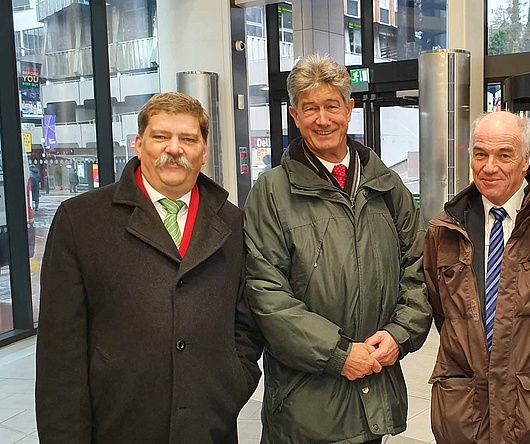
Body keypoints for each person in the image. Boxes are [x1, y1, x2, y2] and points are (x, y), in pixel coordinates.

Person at [35, 92, 264, 442]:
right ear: (139, 144)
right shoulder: (81, 220)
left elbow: (246, 322)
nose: (174, 149)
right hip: (117, 425)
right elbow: (59, 354)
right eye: (161, 137)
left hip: (207, 426)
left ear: (203, 152)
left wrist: (233, 382)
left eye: (188, 139)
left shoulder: (232, 223)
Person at [244, 54, 431, 443]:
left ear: (350, 109)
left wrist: (399, 333)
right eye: (310, 108)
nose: (323, 119)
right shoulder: (272, 192)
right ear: (295, 115)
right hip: (306, 406)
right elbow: (266, 292)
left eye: (332, 105)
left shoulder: (386, 185)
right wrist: (338, 354)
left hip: (374, 390)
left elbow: (419, 266)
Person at [423, 111, 530, 443]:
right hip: (466, 415)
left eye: (504, 155)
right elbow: (444, 315)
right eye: (481, 154)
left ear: (525, 160)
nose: (490, 167)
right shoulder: (443, 230)